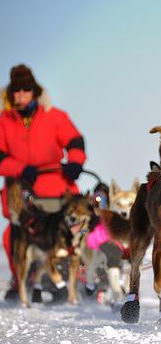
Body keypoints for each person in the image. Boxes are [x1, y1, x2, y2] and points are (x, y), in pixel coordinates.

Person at [0, 64, 86, 300]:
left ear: (34, 92)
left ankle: (68, 279)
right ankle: (23, 281)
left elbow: (76, 142)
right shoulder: (4, 121)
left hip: (58, 187)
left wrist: (75, 163)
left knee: (71, 231)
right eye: (15, 91)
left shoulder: (55, 116)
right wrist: (19, 169)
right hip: (23, 191)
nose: (20, 95)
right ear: (10, 94)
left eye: (25, 90)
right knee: (12, 238)